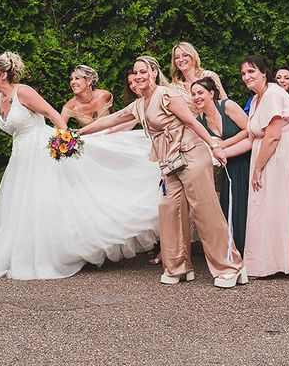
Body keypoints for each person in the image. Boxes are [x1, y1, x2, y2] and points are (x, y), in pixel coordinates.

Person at [0, 52, 161, 280]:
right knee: (26, 205)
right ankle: (28, 255)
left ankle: (62, 252)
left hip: (44, 152)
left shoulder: (23, 92)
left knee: (51, 202)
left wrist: (64, 143)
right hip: (21, 157)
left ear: (3, 74)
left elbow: (54, 116)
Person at [79, 56, 246, 288]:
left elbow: (193, 122)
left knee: (204, 210)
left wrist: (214, 146)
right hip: (169, 163)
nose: (138, 76)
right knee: (169, 210)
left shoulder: (167, 95)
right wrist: (79, 133)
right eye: (135, 72)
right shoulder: (139, 104)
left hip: (191, 156)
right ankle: (178, 266)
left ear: (154, 73)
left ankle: (231, 267)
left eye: (143, 71)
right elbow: (113, 119)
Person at [225, 56, 289, 277]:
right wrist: (220, 150)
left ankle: (281, 262)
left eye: (251, 72)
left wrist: (257, 167)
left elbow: (273, 136)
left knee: (278, 202)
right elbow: (251, 135)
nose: (247, 77)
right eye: (244, 73)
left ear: (264, 73)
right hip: (272, 151)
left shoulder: (273, 94)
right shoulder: (256, 99)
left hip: (281, 153)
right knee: (277, 203)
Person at [192, 77, 250, 256]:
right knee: (229, 207)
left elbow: (249, 129)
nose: (196, 97)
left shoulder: (227, 106)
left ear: (211, 93)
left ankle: (250, 251)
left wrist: (222, 145)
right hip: (224, 169)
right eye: (193, 94)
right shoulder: (198, 120)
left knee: (245, 206)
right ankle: (235, 252)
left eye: (200, 93)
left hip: (244, 161)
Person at [169, 41, 227, 114]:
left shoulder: (209, 76)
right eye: (177, 57)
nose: (181, 60)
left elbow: (225, 102)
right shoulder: (174, 87)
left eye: (185, 55)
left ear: (193, 56)